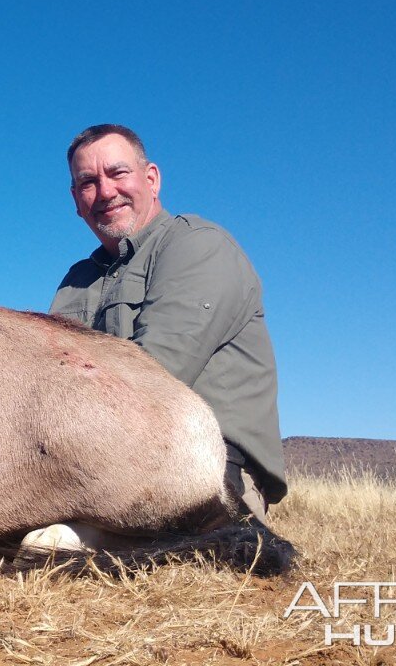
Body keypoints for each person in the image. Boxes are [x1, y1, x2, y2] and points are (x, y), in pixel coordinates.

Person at [51, 123, 286, 520]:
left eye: (117, 173)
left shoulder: (197, 245)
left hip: (203, 471)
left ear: (151, 178)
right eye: (88, 182)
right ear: (76, 200)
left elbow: (151, 381)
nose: (105, 192)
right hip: (95, 466)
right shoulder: (77, 280)